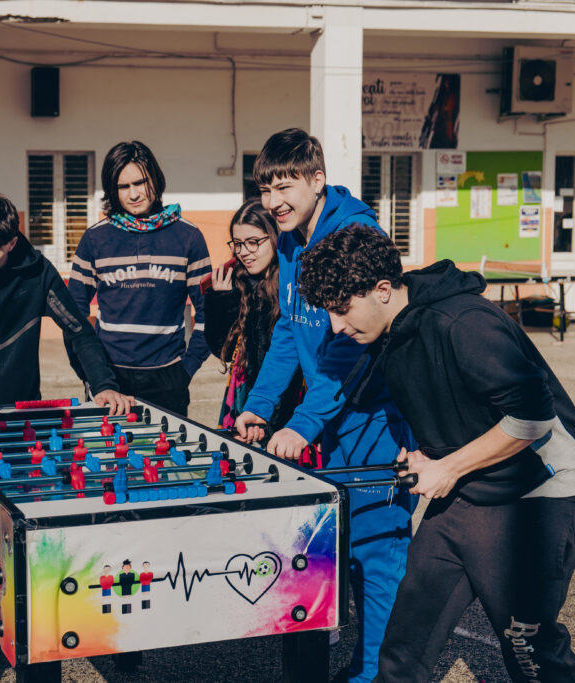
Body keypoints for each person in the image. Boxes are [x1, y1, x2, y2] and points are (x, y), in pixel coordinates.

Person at [298, 225, 575, 682]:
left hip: (539, 494)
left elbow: (533, 417)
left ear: (381, 290)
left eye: (341, 310)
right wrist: (425, 454)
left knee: (528, 648)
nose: (337, 326)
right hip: (467, 492)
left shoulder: (463, 322)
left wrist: (450, 466)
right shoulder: (387, 330)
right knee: (404, 640)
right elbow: (447, 401)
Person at [232, 129, 414, 683]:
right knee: (339, 549)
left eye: (283, 186)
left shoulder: (354, 232)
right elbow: (292, 326)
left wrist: (304, 422)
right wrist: (260, 406)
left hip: (372, 413)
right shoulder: (289, 238)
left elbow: (349, 344)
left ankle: (376, 674)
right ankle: (359, 662)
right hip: (329, 418)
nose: (272, 202)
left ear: (317, 180)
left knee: (376, 557)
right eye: (265, 188)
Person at [0, 191, 132, 417]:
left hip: (22, 413)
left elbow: (78, 330)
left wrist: (103, 385)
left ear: (11, 243)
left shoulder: (38, 273)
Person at [68, 141, 211, 416]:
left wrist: (186, 369)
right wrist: (93, 377)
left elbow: (208, 314)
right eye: (123, 187)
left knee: (167, 460)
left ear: (155, 180)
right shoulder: (95, 239)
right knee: (108, 458)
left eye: (140, 182)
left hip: (168, 380)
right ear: (113, 190)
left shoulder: (188, 237)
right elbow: (73, 318)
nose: (133, 194)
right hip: (110, 381)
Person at [201, 198, 302, 432]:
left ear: (276, 238)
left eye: (253, 242)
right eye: (237, 244)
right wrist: (222, 301)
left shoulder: (292, 286)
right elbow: (221, 351)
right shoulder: (239, 285)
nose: (244, 252)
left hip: (290, 411)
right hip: (247, 404)